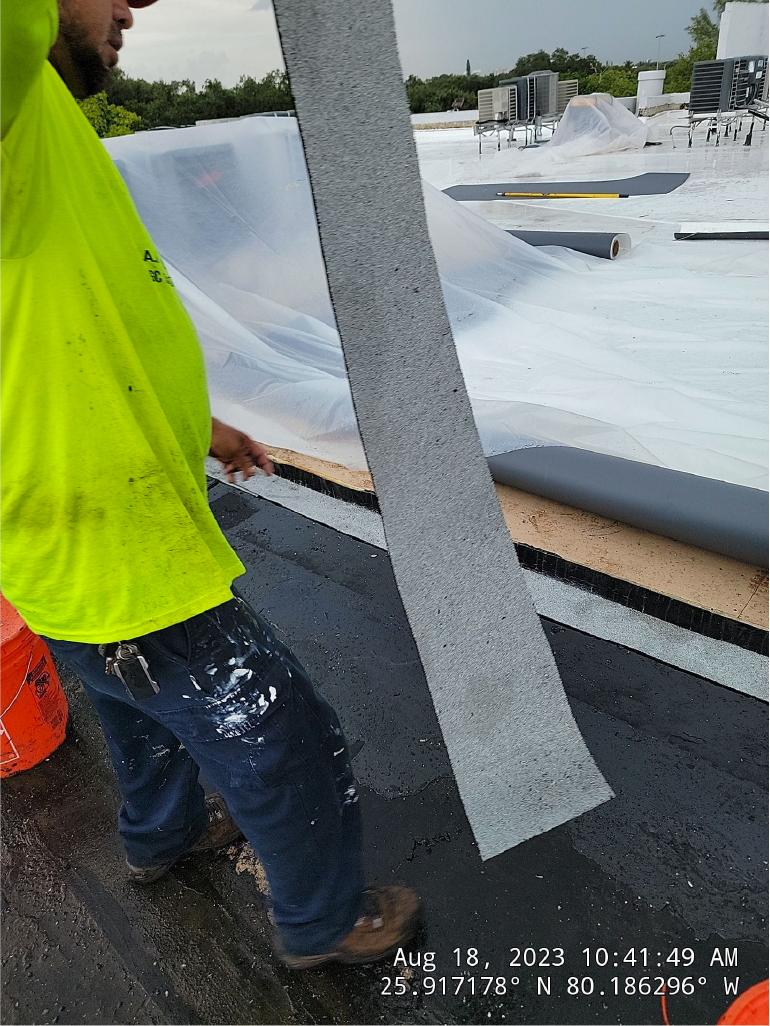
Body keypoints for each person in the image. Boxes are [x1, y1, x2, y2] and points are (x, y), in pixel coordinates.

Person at [0, 0, 419, 968]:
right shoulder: (12, 101)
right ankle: (321, 920)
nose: (132, 8)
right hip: (114, 547)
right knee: (275, 725)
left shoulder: (44, 123)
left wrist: (204, 426)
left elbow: (91, 327)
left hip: (69, 542)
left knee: (133, 703)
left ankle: (159, 837)